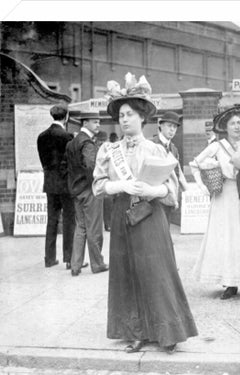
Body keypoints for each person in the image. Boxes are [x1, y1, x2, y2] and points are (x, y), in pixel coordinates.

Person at [92, 74, 197, 354]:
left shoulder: (155, 148)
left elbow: (172, 190)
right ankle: (135, 331)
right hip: (122, 216)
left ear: (142, 119)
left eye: (130, 114)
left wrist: (154, 192)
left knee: (157, 271)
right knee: (128, 274)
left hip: (151, 216)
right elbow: (98, 185)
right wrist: (120, 184)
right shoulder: (108, 150)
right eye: (121, 115)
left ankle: (168, 330)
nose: (124, 120)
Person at [190, 106, 240, 300]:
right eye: (232, 123)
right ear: (225, 126)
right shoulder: (217, 146)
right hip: (223, 195)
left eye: (239, 123)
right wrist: (206, 185)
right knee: (226, 238)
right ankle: (230, 283)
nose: (236, 127)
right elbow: (195, 164)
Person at [66, 111, 108, 277]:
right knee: (94, 228)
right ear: (85, 123)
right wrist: (98, 182)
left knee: (80, 227)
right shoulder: (88, 143)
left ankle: (75, 266)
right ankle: (97, 264)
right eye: (95, 122)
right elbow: (91, 166)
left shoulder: (72, 142)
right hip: (90, 190)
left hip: (76, 190)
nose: (98, 124)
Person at [37, 103, 76, 269]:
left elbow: (43, 161)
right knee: (68, 220)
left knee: (51, 220)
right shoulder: (67, 137)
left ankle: (49, 258)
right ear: (66, 117)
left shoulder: (41, 137)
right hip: (65, 184)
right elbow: (70, 163)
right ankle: (69, 259)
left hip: (49, 183)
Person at [152, 111, 189, 222]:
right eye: (169, 126)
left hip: (168, 197)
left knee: (165, 230)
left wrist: (178, 194)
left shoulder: (174, 149)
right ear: (161, 125)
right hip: (153, 196)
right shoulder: (151, 144)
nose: (172, 129)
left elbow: (177, 173)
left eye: (174, 127)